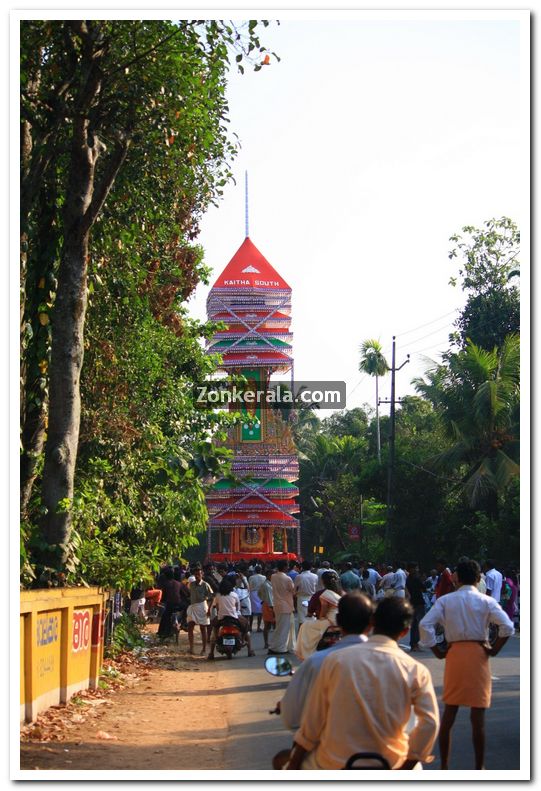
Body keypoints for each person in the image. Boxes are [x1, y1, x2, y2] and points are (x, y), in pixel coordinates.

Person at [284, 598, 439, 770]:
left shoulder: (335, 660)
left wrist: (293, 765)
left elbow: (313, 721)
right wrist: (407, 765)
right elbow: (430, 723)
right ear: (405, 631)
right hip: (393, 763)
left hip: (334, 763)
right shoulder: (415, 669)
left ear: (372, 622)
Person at [419, 559, 515, 770]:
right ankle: (479, 767)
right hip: (478, 654)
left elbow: (425, 624)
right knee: (477, 717)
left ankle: (444, 766)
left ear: (456, 578)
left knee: (450, 714)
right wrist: (494, 649)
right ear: (479, 578)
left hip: (454, 653)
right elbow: (507, 626)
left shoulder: (446, 601)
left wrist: (437, 650)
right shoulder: (486, 601)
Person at [279, 592, 373, 731]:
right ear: (371, 623)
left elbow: (291, 719)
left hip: (330, 746)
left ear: (339, 621)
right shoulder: (394, 662)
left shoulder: (315, 662)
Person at [295, 571, 343, 661]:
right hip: (341, 620)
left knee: (305, 626)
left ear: (323, 581)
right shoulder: (342, 592)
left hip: (330, 621)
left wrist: (320, 618)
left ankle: (307, 654)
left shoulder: (324, 594)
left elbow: (323, 613)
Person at [207, 576, 255, 660]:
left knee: (214, 630)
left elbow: (217, 608)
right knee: (246, 628)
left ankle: (211, 653)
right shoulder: (234, 595)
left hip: (221, 619)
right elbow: (238, 608)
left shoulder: (218, 596)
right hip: (234, 618)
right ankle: (249, 650)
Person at [268, 560, 296, 655]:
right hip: (286, 606)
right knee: (284, 628)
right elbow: (293, 591)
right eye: (287, 566)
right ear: (284, 567)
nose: (288, 568)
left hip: (277, 604)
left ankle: (275, 646)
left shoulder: (273, 576)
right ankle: (279, 647)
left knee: (280, 627)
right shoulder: (287, 579)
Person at [186, 566, 214, 654]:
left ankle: (204, 649)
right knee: (190, 627)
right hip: (193, 607)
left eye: (199, 574)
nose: (197, 576)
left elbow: (212, 597)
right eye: (196, 574)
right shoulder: (191, 584)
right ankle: (191, 648)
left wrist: (209, 609)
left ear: (202, 574)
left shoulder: (206, 585)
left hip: (202, 606)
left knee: (203, 628)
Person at [405, 564, 426, 652]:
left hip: (412, 603)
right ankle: (415, 644)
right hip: (418, 603)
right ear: (411, 569)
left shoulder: (408, 579)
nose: (417, 569)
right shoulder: (416, 579)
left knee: (414, 624)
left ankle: (413, 644)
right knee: (419, 624)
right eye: (416, 568)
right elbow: (424, 589)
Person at [293, 560, 318, 626]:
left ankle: (301, 635)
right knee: (312, 618)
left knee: (302, 619)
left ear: (302, 567)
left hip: (301, 598)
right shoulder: (315, 576)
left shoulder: (299, 577)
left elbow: (294, 590)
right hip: (313, 598)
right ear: (311, 567)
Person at [259, 567, 276, 649]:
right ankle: (269, 643)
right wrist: (272, 608)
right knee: (271, 625)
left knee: (268, 625)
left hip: (266, 604)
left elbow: (259, 594)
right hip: (270, 605)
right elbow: (269, 598)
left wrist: (263, 599)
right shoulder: (266, 585)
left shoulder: (267, 584)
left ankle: (268, 643)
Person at [248, 564, 265, 632]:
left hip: (253, 594)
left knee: (252, 611)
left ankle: (250, 627)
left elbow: (249, 586)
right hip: (260, 594)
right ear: (260, 571)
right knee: (260, 612)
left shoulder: (251, 577)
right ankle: (258, 627)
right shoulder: (264, 577)